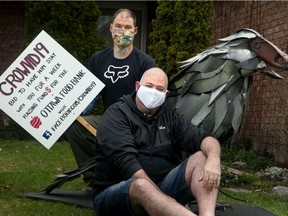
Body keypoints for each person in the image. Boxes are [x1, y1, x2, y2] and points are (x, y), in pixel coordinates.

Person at [93, 67, 221, 216]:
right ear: (137, 86)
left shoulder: (170, 116)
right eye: (149, 86)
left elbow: (204, 138)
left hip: (162, 188)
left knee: (202, 157)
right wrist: (163, 199)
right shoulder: (117, 114)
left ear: (166, 95)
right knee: (141, 185)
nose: (153, 92)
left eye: (159, 89)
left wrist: (214, 159)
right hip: (118, 194)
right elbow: (128, 166)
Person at [64, 8, 156, 189]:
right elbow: (91, 96)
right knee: (73, 124)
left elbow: (151, 102)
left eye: (128, 27)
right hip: (107, 119)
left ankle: (125, 174)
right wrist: (74, 110)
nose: (123, 31)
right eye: (119, 26)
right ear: (111, 28)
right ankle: (93, 177)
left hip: (135, 121)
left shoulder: (145, 62)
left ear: (135, 31)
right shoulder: (98, 59)